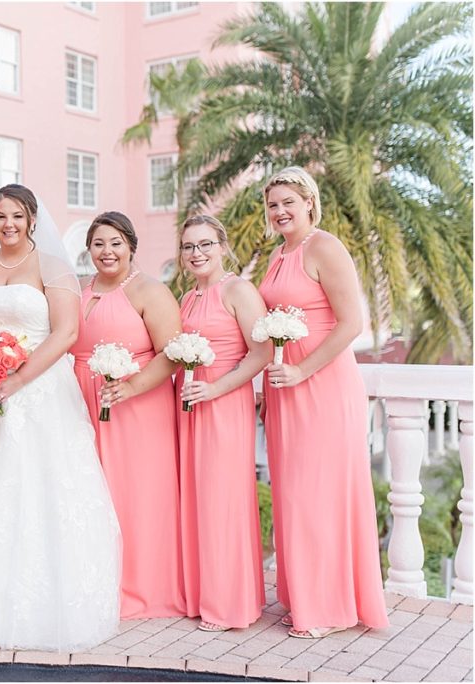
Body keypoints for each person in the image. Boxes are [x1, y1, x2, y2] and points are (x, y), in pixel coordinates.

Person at [0, 184, 121, 652]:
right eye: (0, 216)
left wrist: (17, 378)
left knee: (35, 491)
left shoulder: (53, 267)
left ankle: (39, 608)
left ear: (33, 219)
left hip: (38, 392)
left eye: (17, 216)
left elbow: (66, 332)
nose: (8, 224)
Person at [258, 166, 388, 638]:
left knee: (320, 493)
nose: (280, 211)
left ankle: (330, 609)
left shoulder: (325, 247)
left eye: (288, 202)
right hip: (284, 387)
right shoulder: (278, 254)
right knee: (294, 495)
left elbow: (351, 324)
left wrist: (300, 371)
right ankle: (306, 597)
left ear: (310, 201)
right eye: (273, 204)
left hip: (322, 385)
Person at [72, 211, 186, 620]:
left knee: (136, 494)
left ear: (131, 247)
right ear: (89, 249)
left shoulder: (149, 291)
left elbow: (172, 354)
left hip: (136, 405)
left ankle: (142, 588)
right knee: (93, 493)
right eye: (99, 244)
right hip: (83, 401)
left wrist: (131, 386)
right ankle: (99, 582)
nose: (107, 251)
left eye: (116, 243)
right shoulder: (78, 290)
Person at [175, 215, 269, 632]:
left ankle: (230, 603)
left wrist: (215, 391)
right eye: (189, 246)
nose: (197, 253)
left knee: (222, 499)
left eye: (205, 244)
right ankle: (202, 593)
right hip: (190, 405)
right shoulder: (188, 297)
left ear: (223, 246)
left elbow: (260, 353)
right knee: (196, 498)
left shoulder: (238, 290)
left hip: (223, 403)